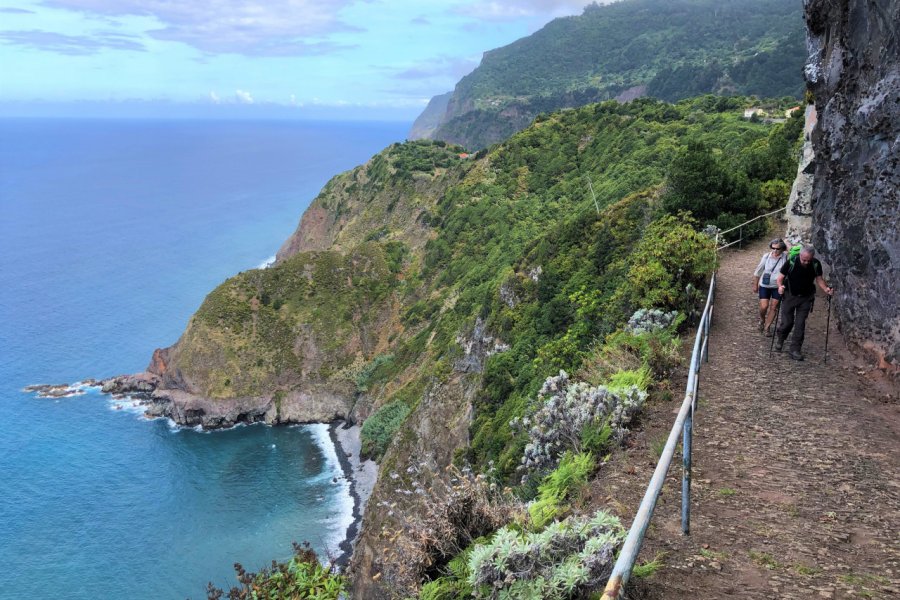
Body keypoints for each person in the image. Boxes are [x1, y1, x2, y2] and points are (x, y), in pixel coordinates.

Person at [774, 246, 834, 360]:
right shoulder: (791, 262)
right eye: (804, 260)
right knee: (787, 322)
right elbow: (780, 278)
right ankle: (781, 338)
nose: (806, 262)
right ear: (800, 255)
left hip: (806, 298)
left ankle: (795, 349)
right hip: (790, 295)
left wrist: (826, 289)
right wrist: (780, 287)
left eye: (809, 260)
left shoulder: (815, 264)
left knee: (800, 324)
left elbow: (819, 279)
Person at [753, 239, 787, 335]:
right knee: (764, 306)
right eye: (773, 248)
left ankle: (767, 328)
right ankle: (762, 320)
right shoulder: (766, 256)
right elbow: (758, 271)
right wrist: (755, 285)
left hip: (778, 287)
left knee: (774, 307)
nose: (775, 250)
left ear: (782, 248)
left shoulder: (785, 257)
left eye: (778, 248)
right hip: (765, 285)